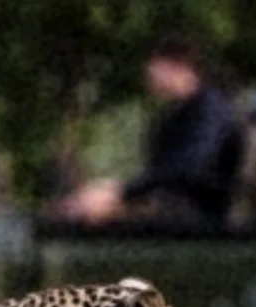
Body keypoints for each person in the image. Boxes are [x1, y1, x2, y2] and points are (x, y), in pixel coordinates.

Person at [56, 36, 243, 226]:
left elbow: (189, 170)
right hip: (170, 208)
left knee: (90, 213)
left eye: (155, 65)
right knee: (75, 208)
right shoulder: (175, 115)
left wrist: (122, 193)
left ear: (179, 66)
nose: (148, 73)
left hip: (195, 215)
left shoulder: (209, 110)